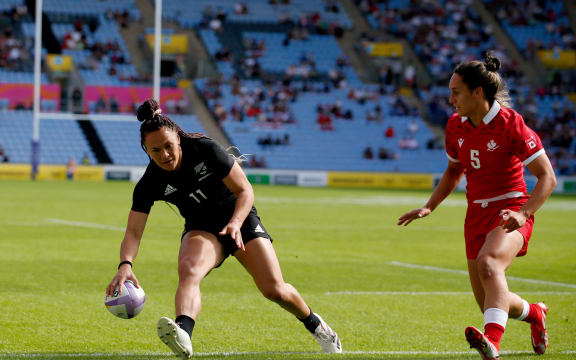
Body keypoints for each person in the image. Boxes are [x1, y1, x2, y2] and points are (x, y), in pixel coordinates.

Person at [106, 99, 341, 359]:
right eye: (156, 150)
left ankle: (317, 326)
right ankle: (183, 333)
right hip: (202, 228)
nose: (165, 155)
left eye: (168, 146)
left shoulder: (204, 148)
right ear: (146, 150)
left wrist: (236, 223)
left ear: (178, 141)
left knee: (274, 289)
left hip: (240, 218)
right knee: (189, 271)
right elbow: (134, 232)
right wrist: (125, 264)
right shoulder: (149, 182)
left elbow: (245, 190)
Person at [397, 55, 556, 360]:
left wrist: (523, 214)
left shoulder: (511, 125)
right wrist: (430, 206)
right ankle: (535, 313)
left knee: (489, 264)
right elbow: (454, 171)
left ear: (478, 93)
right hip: (475, 215)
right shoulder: (455, 126)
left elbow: (547, 177)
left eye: (456, 91)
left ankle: (492, 344)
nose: (450, 98)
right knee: (488, 302)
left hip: (511, 209)